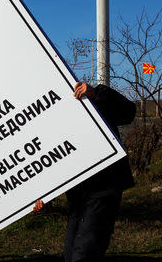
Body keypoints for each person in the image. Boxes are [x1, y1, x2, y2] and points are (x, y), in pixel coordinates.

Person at [35, 81, 136, 262]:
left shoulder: (96, 94)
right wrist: (43, 194)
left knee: (84, 254)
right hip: (77, 196)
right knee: (70, 253)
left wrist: (95, 94)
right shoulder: (46, 114)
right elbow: (47, 158)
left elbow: (129, 113)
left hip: (104, 188)